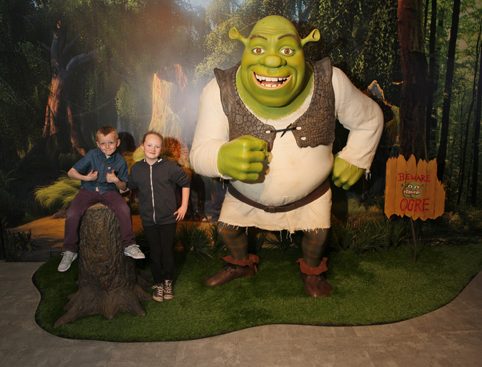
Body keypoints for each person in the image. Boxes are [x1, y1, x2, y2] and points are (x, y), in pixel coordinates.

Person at [189, 15, 383, 297]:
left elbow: (369, 119)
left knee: (316, 236)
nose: (271, 61)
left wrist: (356, 157)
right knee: (228, 229)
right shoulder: (220, 90)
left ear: (303, 49)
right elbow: (199, 153)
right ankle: (240, 264)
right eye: (257, 50)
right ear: (244, 49)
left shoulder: (330, 82)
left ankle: (312, 272)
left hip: (311, 197)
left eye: (287, 50)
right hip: (245, 198)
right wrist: (221, 158)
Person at [58, 126, 145, 272]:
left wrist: (115, 180)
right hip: (88, 190)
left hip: (109, 192)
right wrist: (86, 177)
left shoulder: (121, 161)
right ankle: (69, 251)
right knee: (72, 212)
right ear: (98, 144)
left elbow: (123, 187)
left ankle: (129, 245)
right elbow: (71, 172)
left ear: (117, 143)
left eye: (110, 143)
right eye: (103, 143)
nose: (107, 147)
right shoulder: (92, 155)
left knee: (124, 208)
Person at [128, 131, 190, 302]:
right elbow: (128, 186)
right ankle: (158, 284)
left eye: (157, 146)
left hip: (168, 219)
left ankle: (168, 282)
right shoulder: (137, 169)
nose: (153, 149)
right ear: (142, 146)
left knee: (167, 252)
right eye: (149, 145)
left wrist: (183, 205)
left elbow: (185, 183)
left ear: (161, 149)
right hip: (148, 220)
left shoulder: (169, 167)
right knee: (155, 253)